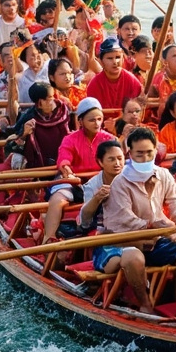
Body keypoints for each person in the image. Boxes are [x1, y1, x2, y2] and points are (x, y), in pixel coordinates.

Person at [96, 126, 176, 314]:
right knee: (134, 257)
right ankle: (145, 304)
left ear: (156, 151)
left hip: (155, 238)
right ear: (129, 153)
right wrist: (160, 226)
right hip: (121, 239)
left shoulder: (164, 174)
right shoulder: (120, 182)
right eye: (139, 154)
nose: (145, 158)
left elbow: (175, 202)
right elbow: (126, 220)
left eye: (149, 153)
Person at [42, 97, 106, 243]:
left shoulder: (109, 139)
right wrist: (67, 170)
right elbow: (64, 159)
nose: (97, 123)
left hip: (101, 181)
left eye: (99, 119)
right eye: (92, 120)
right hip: (73, 181)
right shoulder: (70, 139)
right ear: (80, 121)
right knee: (57, 200)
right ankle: (48, 238)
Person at [5, 81, 71, 170]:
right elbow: (12, 146)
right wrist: (24, 134)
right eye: (50, 98)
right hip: (39, 165)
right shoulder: (30, 118)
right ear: (40, 102)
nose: (54, 100)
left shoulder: (63, 111)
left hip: (65, 161)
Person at [78, 138, 126, 233]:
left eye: (120, 159)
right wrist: (97, 198)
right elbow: (85, 221)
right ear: (100, 162)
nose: (117, 163)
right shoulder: (92, 185)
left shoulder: (132, 177)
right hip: (104, 231)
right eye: (111, 159)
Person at [86, 37, 143, 113]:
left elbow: (137, 111)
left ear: (123, 59)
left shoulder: (132, 81)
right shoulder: (94, 84)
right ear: (101, 62)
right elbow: (93, 113)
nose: (115, 62)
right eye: (110, 58)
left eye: (118, 57)